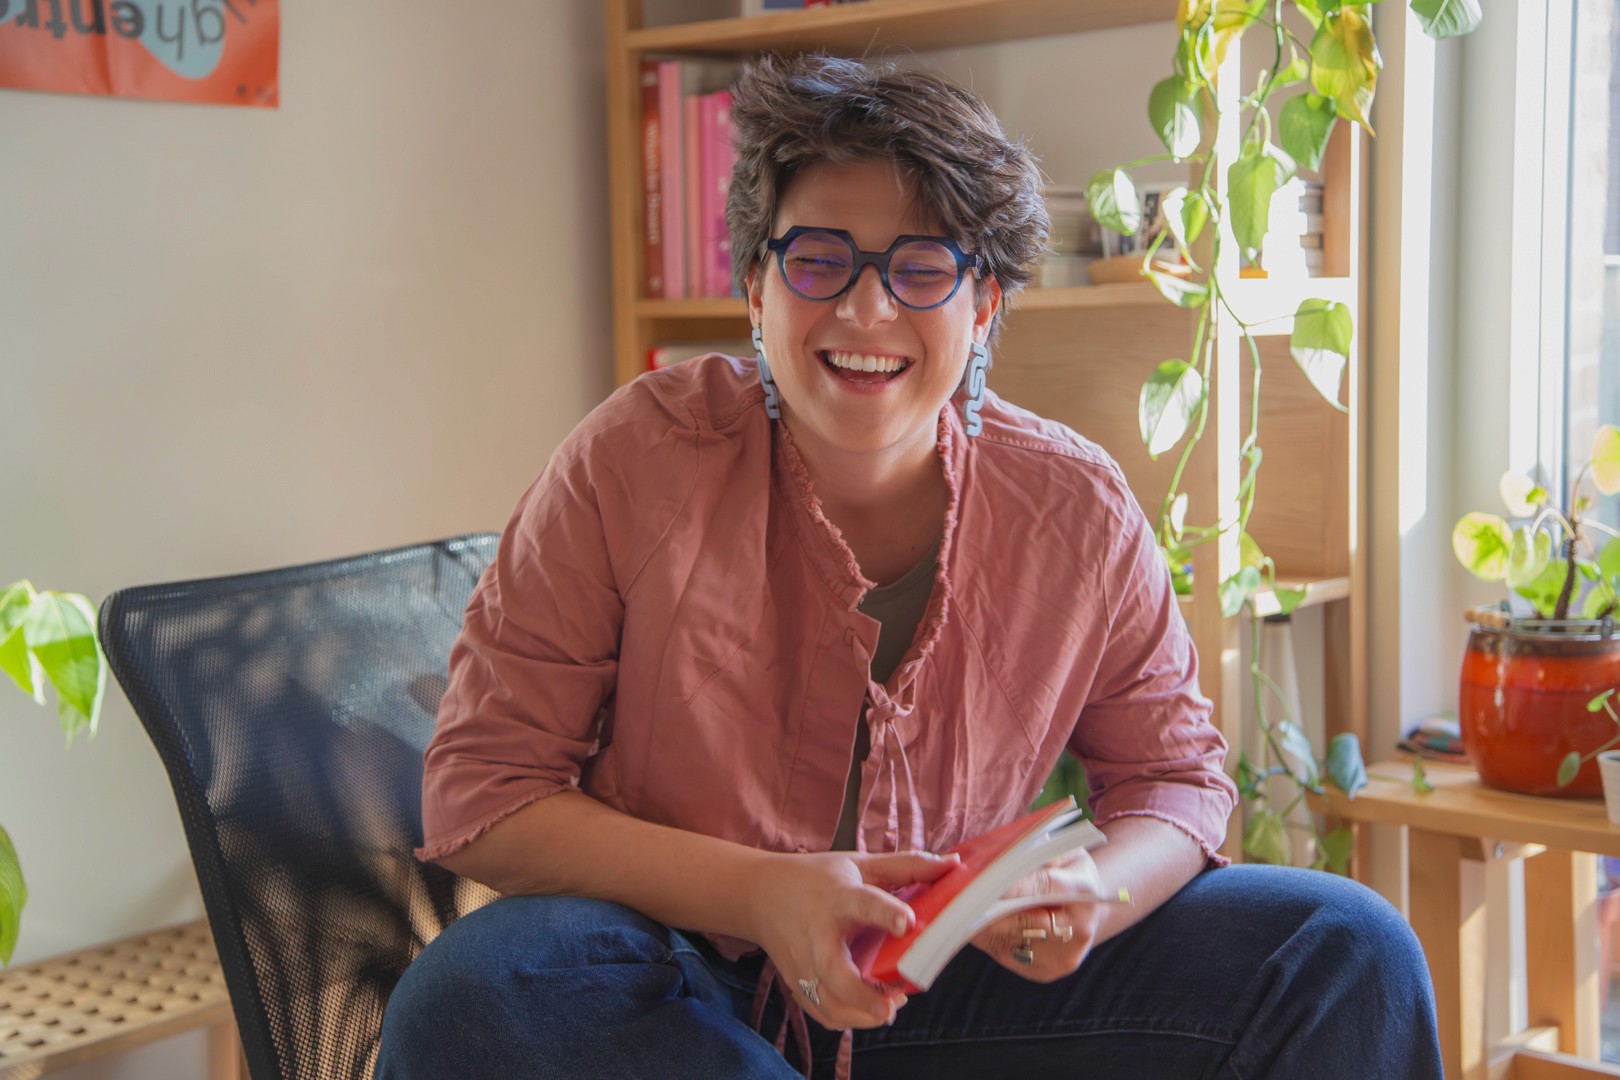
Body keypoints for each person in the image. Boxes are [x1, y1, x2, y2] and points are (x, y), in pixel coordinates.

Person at [375, 53, 1442, 1079]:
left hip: (944, 982)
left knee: (1346, 951)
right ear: (757, 289)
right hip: (685, 982)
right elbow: (485, 791)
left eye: (922, 267)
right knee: (476, 993)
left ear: (982, 307)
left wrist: (1102, 890)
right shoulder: (636, 460)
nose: (866, 309)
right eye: (818, 260)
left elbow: (1175, 778)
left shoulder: (1074, 507)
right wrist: (762, 894)